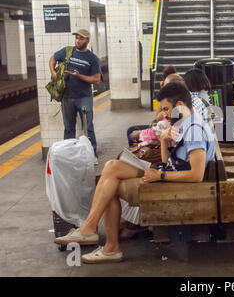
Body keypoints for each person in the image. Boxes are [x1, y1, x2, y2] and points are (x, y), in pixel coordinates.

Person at [54, 81, 216, 264]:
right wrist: (163, 140)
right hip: (167, 173)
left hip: (175, 184)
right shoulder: (185, 122)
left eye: (166, 109)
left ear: (179, 106)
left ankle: (108, 245)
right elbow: (166, 161)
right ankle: (91, 230)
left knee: (111, 187)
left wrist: (160, 176)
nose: (164, 114)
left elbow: (197, 175)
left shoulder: (194, 131)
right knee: (111, 167)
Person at [49, 29, 101, 163]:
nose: (78, 40)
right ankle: (68, 155)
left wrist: (80, 76)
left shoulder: (92, 59)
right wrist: (53, 73)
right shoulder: (68, 51)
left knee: (88, 127)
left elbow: (96, 79)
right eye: (77, 38)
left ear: (87, 41)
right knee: (68, 128)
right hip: (67, 97)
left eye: (81, 38)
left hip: (84, 97)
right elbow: (53, 57)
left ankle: (92, 154)